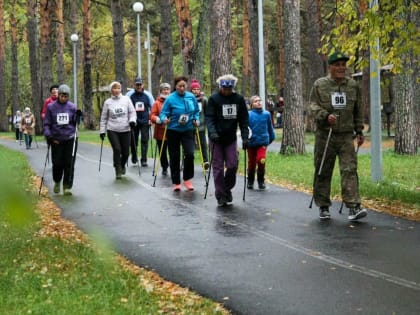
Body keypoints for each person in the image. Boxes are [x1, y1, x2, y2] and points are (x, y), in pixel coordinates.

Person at [309, 51, 367, 221]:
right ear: (331, 67)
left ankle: (353, 206)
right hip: (325, 134)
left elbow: (358, 109)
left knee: (349, 169)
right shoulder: (320, 84)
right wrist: (325, 115)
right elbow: (312, 105)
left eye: (344, 65)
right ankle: (323, 205)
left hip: (346, 136)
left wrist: (359, 130)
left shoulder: (353, 86)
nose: (342, 68)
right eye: (338, 65)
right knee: (323, 169)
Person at [205, 74, 249, 206]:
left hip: (230, 138)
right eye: (225, 88)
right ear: (221, 87)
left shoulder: (238, 99)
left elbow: (244, 119)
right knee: (217, 168)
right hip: (216, 139)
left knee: (232, 165)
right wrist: (212, 132)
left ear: (233, 88)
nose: (227, 91)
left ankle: (226, 188)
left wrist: (245, 137)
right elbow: (209, 118)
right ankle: (221, 196)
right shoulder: (214, 99)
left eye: (229, 88)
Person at [159, 76, 199, 191]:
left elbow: (196, 111)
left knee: (190, 154)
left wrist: (196, 119)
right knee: (174, 156)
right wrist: (164, 119)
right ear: (175, 87)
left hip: (188, 129)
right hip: (173, 130)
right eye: (179, 86)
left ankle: (187, 179)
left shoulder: (191, 97)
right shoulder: (170, 98)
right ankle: (176, 182)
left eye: (184, 86)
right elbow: (163, 113)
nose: (182, 88)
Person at [43, 84, 81, 195]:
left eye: (66, 96)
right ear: (58, 95)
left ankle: (67, 186)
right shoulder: (51, 107)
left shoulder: (72, 107)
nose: (63, 98)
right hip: (56, 139)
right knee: (57, 163)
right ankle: (57, 181)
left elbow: (75, 122)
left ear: (68, 96)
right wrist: (49, 136)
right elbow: (46, 123)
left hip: (70, 138)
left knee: (69, 163)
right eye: (62, 95)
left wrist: (78, 116)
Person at [100, 81, 137, 179]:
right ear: (111, 90)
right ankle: (118, 170)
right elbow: (103, 118)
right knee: (117, 149)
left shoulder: (126, 99)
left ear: (120, 89)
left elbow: (132, 112)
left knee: (125, 152)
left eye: (118, 88)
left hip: (126, 129)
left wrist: (132, 121)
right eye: (114, 88)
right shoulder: (107, 102)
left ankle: (121, 164)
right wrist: (102, 131)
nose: (116, 90)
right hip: (112, 129)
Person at [247, 95, 275, 190]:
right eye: (255, 101)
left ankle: (261, 181)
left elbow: (270, 127)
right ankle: (250, 180)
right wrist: (245, 138)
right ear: (251, 104)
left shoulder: (266, 114)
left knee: (261, 159)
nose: (259, 102)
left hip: (262, 142)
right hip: (251, 142)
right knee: (252, 163)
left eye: (260, 100)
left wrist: (271, 137)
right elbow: (245, 128)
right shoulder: (249, 114)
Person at [128, 77, 155, 166]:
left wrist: (151, 119)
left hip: (145, 121)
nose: (139, 86)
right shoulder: (129, 95)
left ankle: (144, 159)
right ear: (134, 85)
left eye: (140, 84)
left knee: (144, 139)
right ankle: (134, 156)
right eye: (137, 85)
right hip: (134, 121)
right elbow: (126, 107)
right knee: (133, 140)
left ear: (143, 85)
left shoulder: (148, 95)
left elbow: (153, 108)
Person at [149, 82, 171, 176]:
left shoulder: (173, 101)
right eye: (164, 90)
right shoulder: (156, 103)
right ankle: (164, 167)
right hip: (160, 131)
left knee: (173, 150)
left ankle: (174, 165)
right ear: (161, 91)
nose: (166, 91)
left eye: (167, 89)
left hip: (172, 130)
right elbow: (152, 116)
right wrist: (158, 119)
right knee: (162, 151)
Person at [190, 79, 209, 169]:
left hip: (201, 126)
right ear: (191, 90)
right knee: (189, 144)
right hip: (189, 126)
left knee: (203, 144)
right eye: (194, 89)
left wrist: (206, 123)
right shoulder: (188, 98)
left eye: (197, 89)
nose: (196, 91)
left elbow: (207, 112)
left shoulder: (204, 100)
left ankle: (205, 161)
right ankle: (188, 161)